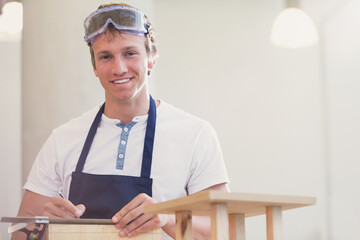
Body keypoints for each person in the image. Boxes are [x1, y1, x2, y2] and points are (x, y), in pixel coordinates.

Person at [13, 3, 229, 240]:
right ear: (94, 67)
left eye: (130, 53)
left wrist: (167, 218)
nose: (119, 68)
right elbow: (20, 234)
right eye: (106, 57)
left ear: (151, 57)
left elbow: (225, 232)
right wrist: (46, 230)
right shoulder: (62, 138)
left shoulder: (196, 135)